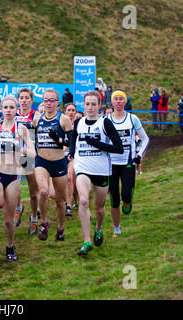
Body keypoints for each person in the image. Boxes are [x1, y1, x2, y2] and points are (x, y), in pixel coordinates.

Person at [68, 91, 123, 256]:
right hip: (83, 167)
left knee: (99, 208)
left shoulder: (105, 123)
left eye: (93, 104)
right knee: (84, 201)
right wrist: (71, 151)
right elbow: (74, 138)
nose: (90, 107)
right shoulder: (78, 122)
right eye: (87, 104)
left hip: (101, 170)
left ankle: (98, 228)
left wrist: (98, 144)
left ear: (99, 106)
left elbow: (118, 148)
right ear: (83, 105)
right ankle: (86, 241)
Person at [0, 96, 36, 263]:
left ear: (16, 108)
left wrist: (19, 149)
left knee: (8, 220)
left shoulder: (22, 129)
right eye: (5, 107)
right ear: (1, 108)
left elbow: (33, 154)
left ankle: (10, 246)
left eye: (12, 107)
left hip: (13, 177)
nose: (8, 110)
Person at [107, 90, 149, 238]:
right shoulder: (106, 120)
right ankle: (116, 229)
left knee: (125, 195)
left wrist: (138, 155)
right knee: (114, 198)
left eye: (121, 99)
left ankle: (128, 201)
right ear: (112, 102)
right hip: (111, 164)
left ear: (125, 102)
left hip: (128, 162)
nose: (118, 102)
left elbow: (145, 139)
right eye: (115, 99)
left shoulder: (133, 119)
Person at [32, 89, 73, 242]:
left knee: (59, 201)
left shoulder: (64, 120)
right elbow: (30, 138)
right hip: (41, 161)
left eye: (52, 100)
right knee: (42, 192)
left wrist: (59, 140)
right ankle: (44, 223)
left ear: (57, 102)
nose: (48, 103)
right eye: (46, 100)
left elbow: (71, 142)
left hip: (59, 162)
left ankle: (61, 228)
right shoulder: (37, 119)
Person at [13, 88, 40, 235]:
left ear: (31, 100)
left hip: (30, 155)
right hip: (15, 155)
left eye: (26, 98)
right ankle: (18, 208)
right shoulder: (12, 114)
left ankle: (34, 218)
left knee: (32, 192)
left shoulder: (35, 115)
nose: (23, 100)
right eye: (21, 98)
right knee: (15, 185)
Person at [63, 103, 78, 216]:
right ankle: (69, 200)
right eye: (69, 110)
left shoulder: (78, 124)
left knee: (70, 178)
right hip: (61, 155)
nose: (71, 112)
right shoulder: (60, 123)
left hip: (74, 155)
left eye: (73, 110)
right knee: (66, 181)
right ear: (65, 112)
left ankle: (69, 205)